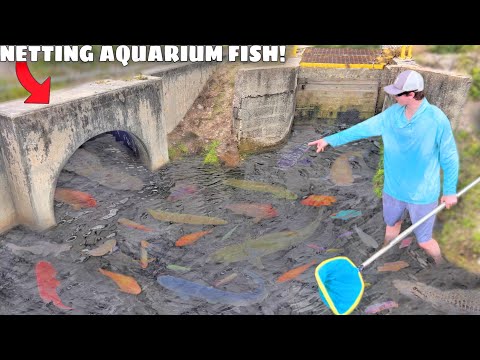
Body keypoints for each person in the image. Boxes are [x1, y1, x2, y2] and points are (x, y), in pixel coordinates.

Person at [308, 69, 459, 265]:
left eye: (398, 93)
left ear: (411, 94)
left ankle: (441, 264)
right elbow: (362, 129)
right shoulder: (391, 115)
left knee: (425, 242)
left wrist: (449, 191)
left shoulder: (437, 119)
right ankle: (385, 256)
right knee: (391, 226)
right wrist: (330, 140)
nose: (393, 96)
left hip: (422, 194)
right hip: (393, 189)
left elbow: (449, 156)